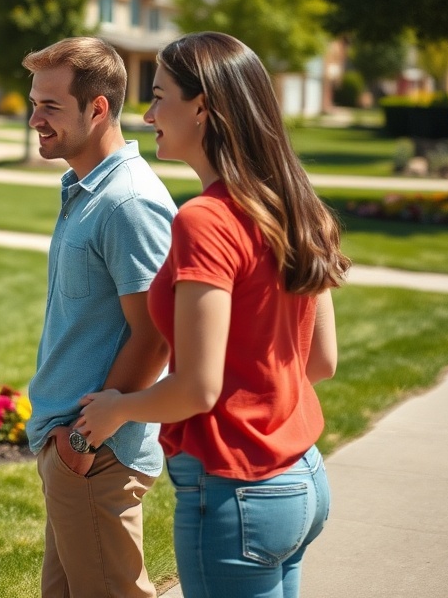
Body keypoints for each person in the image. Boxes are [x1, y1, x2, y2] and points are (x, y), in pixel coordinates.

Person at [77, 31, 351, 598]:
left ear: (202, 106)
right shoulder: (296, 207)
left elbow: (198, 389)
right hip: (302, 479)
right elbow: (320, 362)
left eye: (159, 96)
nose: (149, 113)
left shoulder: (206, 221)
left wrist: (118, 409)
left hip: (237, 491)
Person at [23, 36, 177, 598]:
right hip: (74, 450)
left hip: (96, 452)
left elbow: (158, 333)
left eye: (50, 106)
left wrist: (83, 444)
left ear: (98, 108)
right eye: (34, 103)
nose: (34, 118)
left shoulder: (127, 203)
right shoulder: (87, 190)